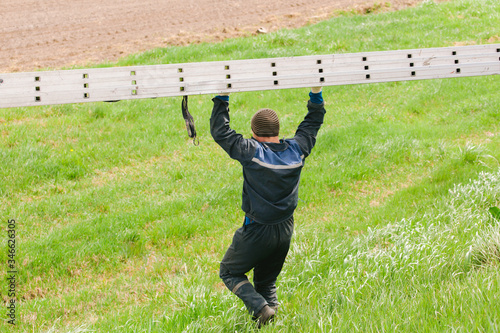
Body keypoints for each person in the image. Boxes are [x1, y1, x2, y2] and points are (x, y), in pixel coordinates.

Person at [210, 87, 326, 328]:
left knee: (229, 272)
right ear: (277, 132)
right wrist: (316, 93)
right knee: (266, 282)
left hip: (257, 231)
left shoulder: (252, 152)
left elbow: (221, 132)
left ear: (254, 132)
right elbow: (312, 124)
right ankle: (269, 322)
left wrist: (222, 97)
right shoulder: (297, 150)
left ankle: (262, 308)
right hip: (285, 231)